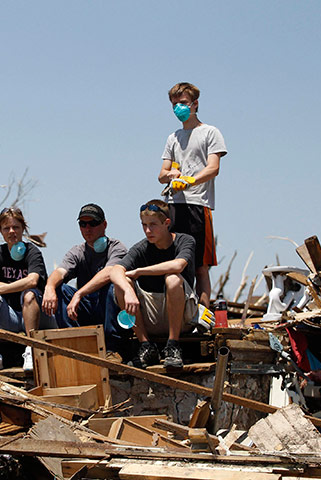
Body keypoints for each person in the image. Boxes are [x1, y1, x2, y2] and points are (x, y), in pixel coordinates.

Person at [158, 82, 227, 308]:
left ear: (195, 104)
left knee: (201, 266)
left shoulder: (210, 132)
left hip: (199, 205)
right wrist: (172, 176)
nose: (179, 108)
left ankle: (203, 315)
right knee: (176, 263)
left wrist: (189, 181)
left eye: (184, 103)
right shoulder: (173, 137)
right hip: (174, 206)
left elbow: (213, 167)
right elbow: (162, 174)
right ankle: (181, 314)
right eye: (175, 104)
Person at [109, 200, 198, 369]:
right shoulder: (141, 247)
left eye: (153, 225)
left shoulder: (185, 240)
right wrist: (128, 290)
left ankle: (173, 346)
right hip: (152, 318)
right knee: (122, 283)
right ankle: (146, 346)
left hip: (182, 318)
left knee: (172, 279)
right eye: (144, 225)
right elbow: (115, 271)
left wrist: (140, 271)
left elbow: (178, 265)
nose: (148, 231)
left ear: (166, 223)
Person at [0, 207, 56, 375]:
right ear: (1, 231)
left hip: (38, 315)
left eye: (16, 227)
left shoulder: (32, 252)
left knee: (29, 294)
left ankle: (30, 348)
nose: (11, 232)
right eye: (7, 228)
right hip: (11, 315)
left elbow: (33, 280)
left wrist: (1, 288)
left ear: (23, 229)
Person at [42, 204, 128, 358]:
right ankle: (72, 346)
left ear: (104, 225)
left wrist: (79, 294)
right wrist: (49, 287)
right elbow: (60, 272)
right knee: (59, 288)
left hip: (109, 309)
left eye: (93, 223)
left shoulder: (117, 248)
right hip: (87, 307)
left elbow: (109, 273)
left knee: (112, 287)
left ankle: (112, 350)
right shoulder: (77, 251)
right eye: (83, 224)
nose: (88, 228)